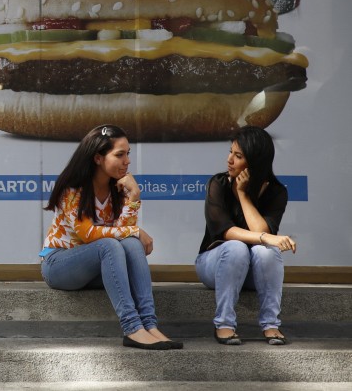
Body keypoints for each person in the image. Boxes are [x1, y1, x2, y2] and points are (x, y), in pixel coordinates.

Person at [40, 124, 181, 350]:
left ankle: (150, 325)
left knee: (131, 245)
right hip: (59, 265)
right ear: (98, 158)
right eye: (119, 155)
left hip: (95, 268)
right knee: (110, 244)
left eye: (128, 154)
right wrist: (134, 230)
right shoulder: (72, 188)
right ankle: (132, 328)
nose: (127, 161)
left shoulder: (119, 188)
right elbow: (88, 235)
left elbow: (123, 236)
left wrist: (133, 197)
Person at [195, 125, 297, 345]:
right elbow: (226, 232)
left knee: (266, 253)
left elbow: (261, 232)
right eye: (230, 152)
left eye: (238, 156)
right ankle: (224, 324)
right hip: (214, 263)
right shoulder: (218, 184)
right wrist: (266, 238)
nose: (229, 160)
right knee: (237, 247)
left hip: (255, 270)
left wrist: (243, 195)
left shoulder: (277, 192)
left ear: (255, 162)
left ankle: (271, 325)